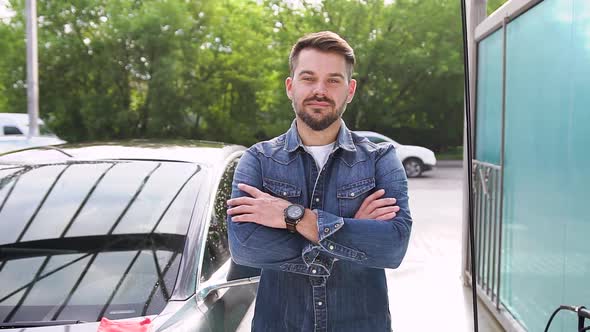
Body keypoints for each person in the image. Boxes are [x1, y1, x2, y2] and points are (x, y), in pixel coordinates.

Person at [226, 31, 412, 332]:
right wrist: (351, 231)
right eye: (308, 78)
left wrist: (291, 216)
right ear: (291, 86)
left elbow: (392, 247)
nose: (320, 90)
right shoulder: (257, 159)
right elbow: (247, 249)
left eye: (333, 80)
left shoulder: (380, 159)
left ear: (350, 90)